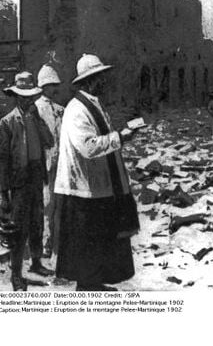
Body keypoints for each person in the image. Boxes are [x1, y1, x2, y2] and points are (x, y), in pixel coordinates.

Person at [55, 54, 140, 291]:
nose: (105, 81)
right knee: (88, 237)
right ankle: (87, 285)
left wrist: (120, 136)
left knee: (98, 236)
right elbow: (88, 146)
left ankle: (92, 282)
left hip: (96, 184)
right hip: (83, 186)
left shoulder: (92, 104)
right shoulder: (77, 109)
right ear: (91, 80)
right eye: (101, 77)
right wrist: (120, 137)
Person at [0, 72, 56, 291]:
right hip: (18, 182)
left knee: (36, 223)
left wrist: (38, 121)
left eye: (30, 96)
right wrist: (4, 193)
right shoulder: (7, 122)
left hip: (36, 176)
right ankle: (15, 275)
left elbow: (49, 141)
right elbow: (1, 160)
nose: (27, 100)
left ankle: (37, 263)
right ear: (16, 97)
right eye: (23, 97)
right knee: (17, 229)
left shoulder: (36, 117)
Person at [35, 64, 65, 258]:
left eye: (56, 85)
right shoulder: (36, 109)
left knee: (59, 204)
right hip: (43, 163)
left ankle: (57, 243)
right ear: (44, 87)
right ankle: (44, 244)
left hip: (60, 164)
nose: (54, 89)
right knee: (46, 204)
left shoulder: (61, 109)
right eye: (51, 85)